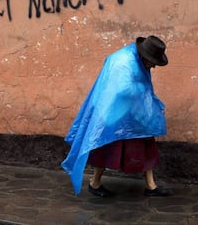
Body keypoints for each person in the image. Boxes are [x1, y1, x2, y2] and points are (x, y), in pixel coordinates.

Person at [61, 35, 172, 197]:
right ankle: (95, 183)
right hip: (114, 111)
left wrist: (149, 106)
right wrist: (149, 107)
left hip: (130, 111)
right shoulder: (124, 62)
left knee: (146, 143)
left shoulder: (135, 59)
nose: (154, 66)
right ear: (144, 56)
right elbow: (124, 90)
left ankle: (151, 186)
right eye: (153, 61)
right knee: (106, 144)